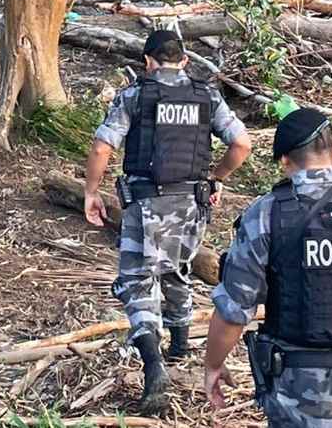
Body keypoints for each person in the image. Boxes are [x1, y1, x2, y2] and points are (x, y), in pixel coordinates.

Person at [204, 108, 332, 427]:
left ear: (285, 161)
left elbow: (234, 309)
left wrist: (213, 366)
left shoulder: (266, 215)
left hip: (296, 393)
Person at [84, 30, 252, 413]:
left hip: (146, 205)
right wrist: (217, 178)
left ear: (147, 61)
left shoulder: (136, 95)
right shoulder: (205, 95)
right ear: (185, 61)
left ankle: (154, 365)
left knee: (137, 281)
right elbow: (242, 144)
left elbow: (101, 146)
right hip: (193, 204)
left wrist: (91, 192)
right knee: (178, 268)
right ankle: (179, 342)